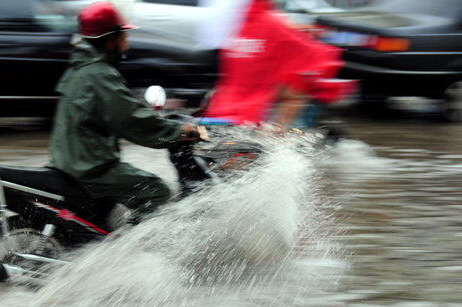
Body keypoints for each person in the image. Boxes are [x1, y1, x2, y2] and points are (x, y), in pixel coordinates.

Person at [48, 1, 202, 223]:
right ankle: (140, 255)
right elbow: (131, 120)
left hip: (70, 161)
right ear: (111, 39)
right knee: (155, 191)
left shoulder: (79, 68)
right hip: (90, 169)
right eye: (124, 36)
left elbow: (121, 111)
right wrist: (181, 132)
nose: (127, 43)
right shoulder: (99, 75)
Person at [202, 0, 354, 127]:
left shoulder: (231, 26)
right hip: (253, 107)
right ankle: (277, 141)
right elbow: (306, 50)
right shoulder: (270, 23)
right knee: (295, 95)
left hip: (225, 104)